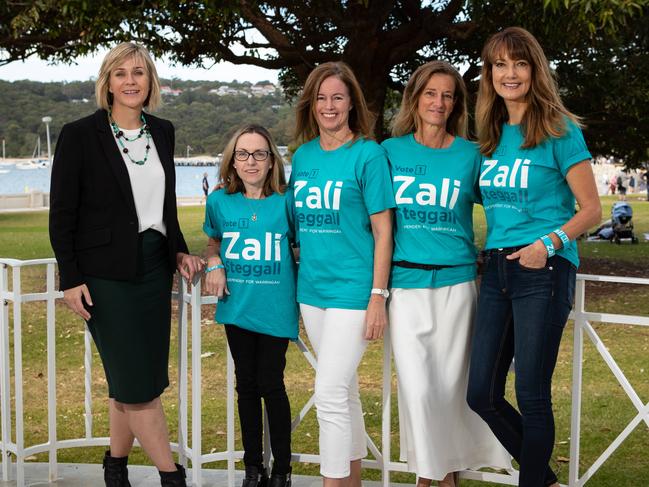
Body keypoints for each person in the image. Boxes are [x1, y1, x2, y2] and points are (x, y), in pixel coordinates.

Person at [48, 42, 203, 487]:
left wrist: (178, 248)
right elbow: (63, 214)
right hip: (104, 277)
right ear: (107, 83)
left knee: (135, 379)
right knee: (139, 387)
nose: (131, 81)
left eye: (139, 72)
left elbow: (164, 206)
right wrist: (71, 278)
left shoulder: (164, 130)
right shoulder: (79, 134)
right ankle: (172, 477)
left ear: (150, 81)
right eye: (121, 73)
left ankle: (115, 469)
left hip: (154, 270)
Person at [466, 27, 601, 487]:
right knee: (480, 392)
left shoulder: (560, 128)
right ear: (489, 74)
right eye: (499, 65)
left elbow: (592, 210)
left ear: (534, 69)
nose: (509, 73)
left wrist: (547, 245)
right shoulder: (489, 137)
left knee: (531, 393)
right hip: (497, 269)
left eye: (519, 63)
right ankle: (541, 479)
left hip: (542, 270)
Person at [382, 60, 511, 487]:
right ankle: (432, 477)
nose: (439, 102)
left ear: (457, 103)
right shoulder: (389, 152)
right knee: (418, 393)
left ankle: (441, 478)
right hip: (406, 287)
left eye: (448, 95)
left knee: (452, 394)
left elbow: (503, 203)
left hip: (458, 287)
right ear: (415, 99)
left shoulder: (470, 155)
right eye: (431, 93)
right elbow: (371, 218)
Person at [291, 61, 395, 487]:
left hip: (354, 291)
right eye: (320, 98)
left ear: (352, 101)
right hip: (312, 291)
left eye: (337, 97)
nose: (329, 106)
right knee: (345, 392)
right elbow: (295, 227)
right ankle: (351, 482)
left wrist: (377, 295)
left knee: (329, 393)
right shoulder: (303, 157)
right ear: (311, 105)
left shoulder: (368, 154)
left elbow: (384, 230)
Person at [203, 124, 297, 487]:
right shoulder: (220, 201)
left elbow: (303, 247)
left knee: (272, 384)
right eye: (242, 154)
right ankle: (253, 467)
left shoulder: (286, 201)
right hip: (238, 307)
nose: (251, 161)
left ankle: (283, 470)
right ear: (232, 161)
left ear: (272, 160)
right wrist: (214, 264)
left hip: (274, 308)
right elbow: (213, 242)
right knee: (246, 386)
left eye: (259, 153)